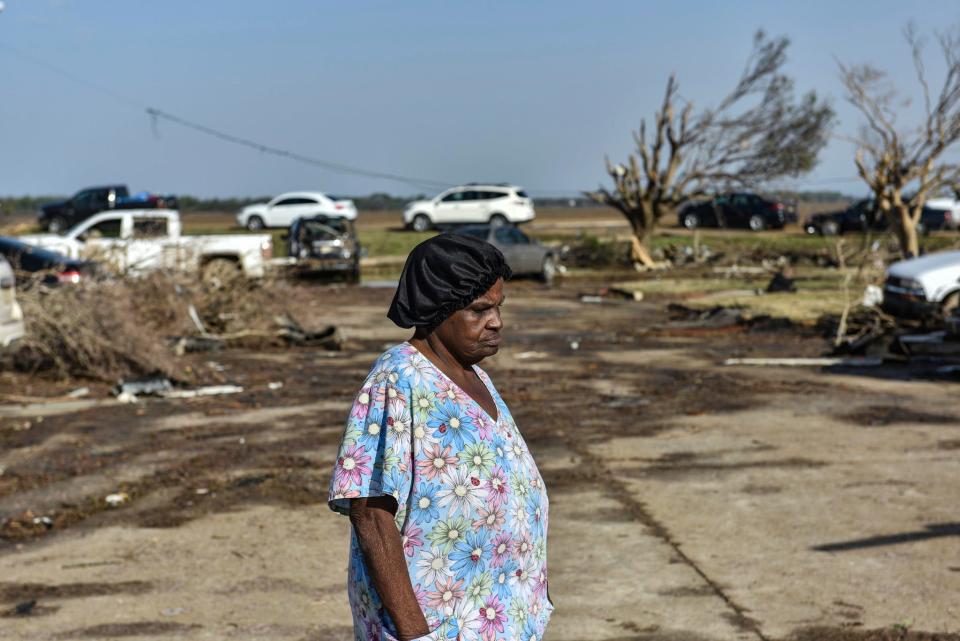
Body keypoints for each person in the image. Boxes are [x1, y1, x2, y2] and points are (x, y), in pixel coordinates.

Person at [328, 233, 552, 641]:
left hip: (498, 618)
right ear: (438, 310)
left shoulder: (474, 375)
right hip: (437, 628)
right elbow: (371, 512)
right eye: (479, 310)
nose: (497, 321)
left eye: (499, 307)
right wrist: (417, 635)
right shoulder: (398, 380)